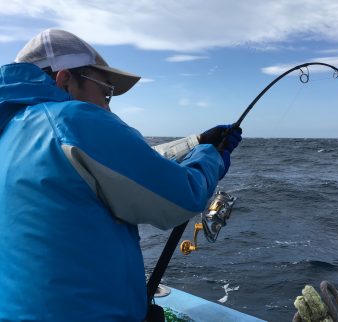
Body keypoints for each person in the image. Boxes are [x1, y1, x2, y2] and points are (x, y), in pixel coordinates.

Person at [0, 29, 242, 321]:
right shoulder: (73, 119)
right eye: (105, 91)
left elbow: (120, 161)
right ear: (65, 82)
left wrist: (195, 142)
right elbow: (183, 198)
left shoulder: (12, 131)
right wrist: (211, 156)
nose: (107, 104)